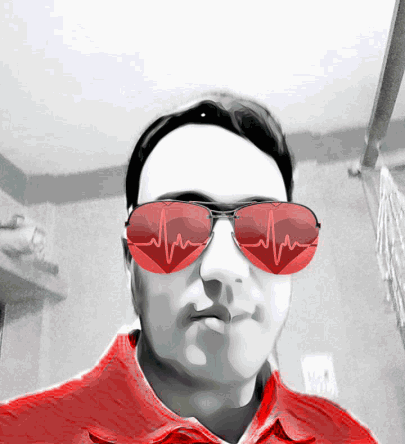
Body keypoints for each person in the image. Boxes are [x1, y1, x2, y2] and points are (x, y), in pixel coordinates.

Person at [0, 92, 378, 444]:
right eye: (173, 229)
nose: (225, 268)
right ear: (130, 261)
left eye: (267, 230)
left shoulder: (345, 436)